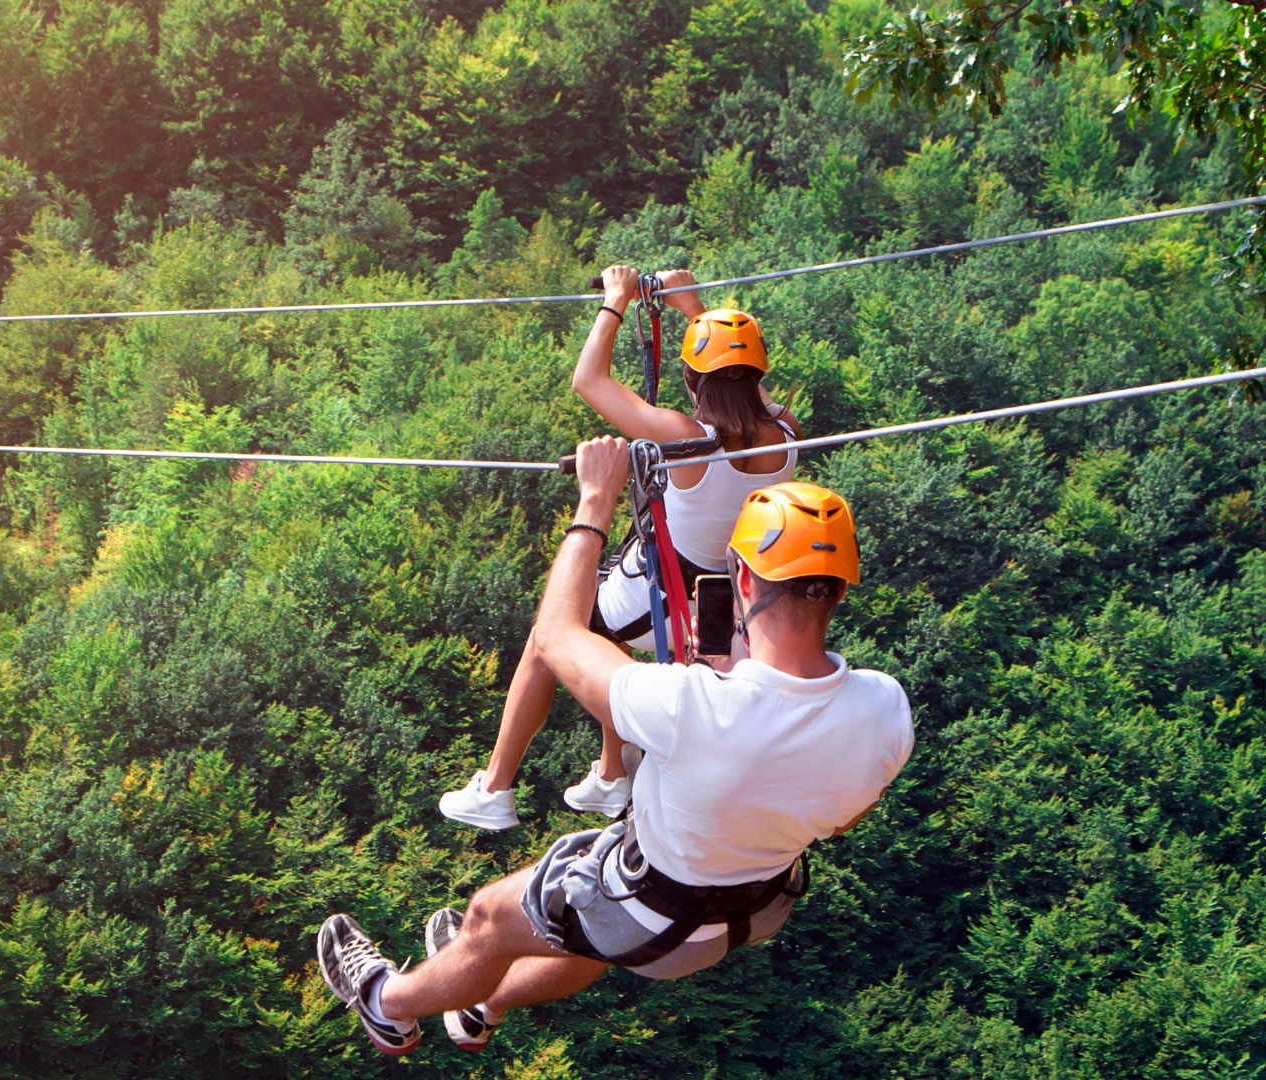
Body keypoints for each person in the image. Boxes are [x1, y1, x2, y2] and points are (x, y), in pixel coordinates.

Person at [318, 437, 912, 1056]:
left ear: (740, 576)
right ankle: (482, 1006)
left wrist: (594, 502)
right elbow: (846, 816)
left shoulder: (689, 704)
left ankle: (386, 1005)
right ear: (841, 590)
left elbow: (555, 635)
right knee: (583, 931)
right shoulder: (885, 709)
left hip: (652, 913)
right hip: (751, 913)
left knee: (490, 919)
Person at [440, 266, 803, 830]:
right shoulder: (787, 433)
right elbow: (744, 384)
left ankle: (494, 787)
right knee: (611, 639)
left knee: (549, 636)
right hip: (722, 600)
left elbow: (589, 380)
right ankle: (612, 775)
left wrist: (615, 300)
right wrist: (693, 309)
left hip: (664, 591)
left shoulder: (685, 438)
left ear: (691, 377)